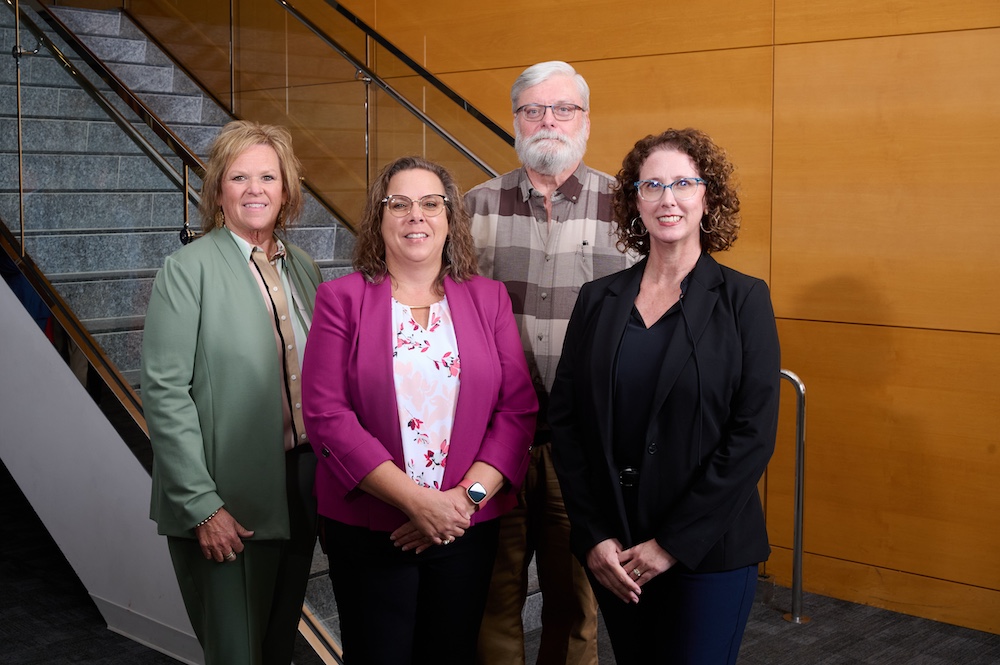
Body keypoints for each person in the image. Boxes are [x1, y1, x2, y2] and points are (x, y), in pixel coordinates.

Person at [549, 128, 781, 665]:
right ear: (635, 200)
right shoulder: (598, 298)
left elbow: (752, 435)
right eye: (651, 185)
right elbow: (567, 422)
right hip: (617, 553)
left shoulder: (745, 299)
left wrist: (671, 544)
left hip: (708, 551)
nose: (667, 198)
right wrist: (593, 536)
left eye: (682, 183)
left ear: (708, 196)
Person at [301, 156, 537, 664]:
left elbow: (517, 411)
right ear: (378, 219)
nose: (416, 216)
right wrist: (416, 502)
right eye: (400, 204)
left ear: (450, 218)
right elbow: (325, 414)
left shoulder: (488, 299)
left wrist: (461, 503)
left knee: (450, 654)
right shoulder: (340, 300)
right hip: (370, 526)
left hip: (464, 527)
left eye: (431, 204)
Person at [466, 60, 634, 665]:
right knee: (492, 599)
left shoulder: (630, 209)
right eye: (534, 109)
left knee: (576, 606)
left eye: (563, 108)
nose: (548, 121)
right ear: (515, 119)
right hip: (491, 445)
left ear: (586, 120)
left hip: (583, 447)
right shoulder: (471, 208)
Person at [141, 120, 322, 665]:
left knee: (274, 647)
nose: (254, 189)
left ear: (286, 188)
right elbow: (165, 393)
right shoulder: (186, 269)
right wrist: (201, 507)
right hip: (224, 496)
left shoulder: (304, 268)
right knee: (235, 652)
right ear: (218, 190)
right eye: (239, 177)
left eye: (267, 176)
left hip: (298, 484)